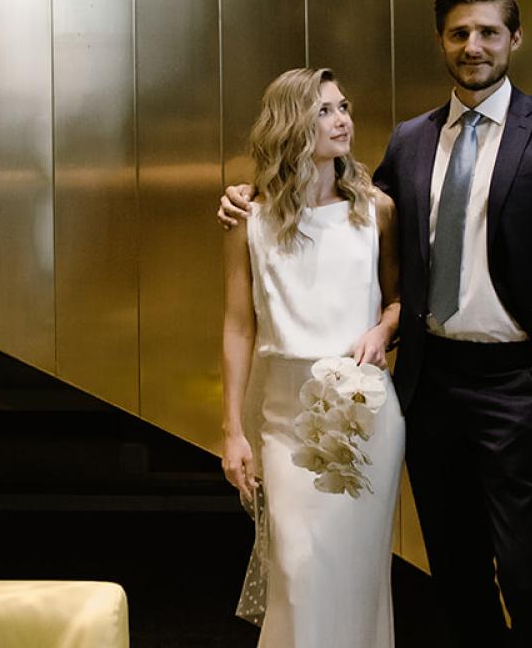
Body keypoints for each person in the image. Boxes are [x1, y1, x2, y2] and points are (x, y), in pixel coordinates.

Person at [221, 0, 532, 647]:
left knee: (524, 574)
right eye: (459, 32)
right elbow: (357, 232)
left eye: (489, 31)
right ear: (442, 41)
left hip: (519, 381)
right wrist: (241, 194)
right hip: (430, 387)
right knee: (456, 576)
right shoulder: (410, 140)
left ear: (514, 38)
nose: (474, 45)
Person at [219, 67, 405, 648]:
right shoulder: (249, 219)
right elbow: (237, 325)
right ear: (291, 125)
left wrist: (384, 328)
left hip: (364, 415)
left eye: (343, 106)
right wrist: (231, 429)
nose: (342, 119)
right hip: (282, 416)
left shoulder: (375, 211)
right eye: (323, 110)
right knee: (297, 571)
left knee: (356, 574)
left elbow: (399, 301)